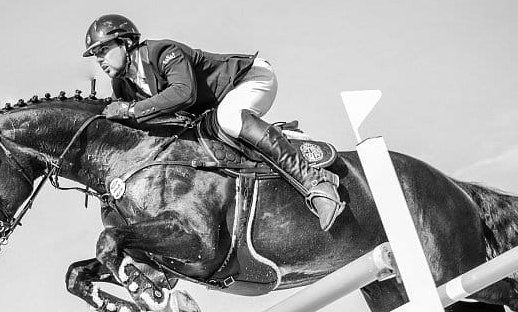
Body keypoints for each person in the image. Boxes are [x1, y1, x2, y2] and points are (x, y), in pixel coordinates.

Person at [83, 14, 344, 231]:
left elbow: (184, 93)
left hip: (249, 80)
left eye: (104, 50)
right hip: (213, 109)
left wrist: (130, 109)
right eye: (96, 55)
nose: (100, 60)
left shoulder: (161, 52)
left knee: (229, 118)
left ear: (126, 42)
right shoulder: (121, 83)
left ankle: (316, 183)